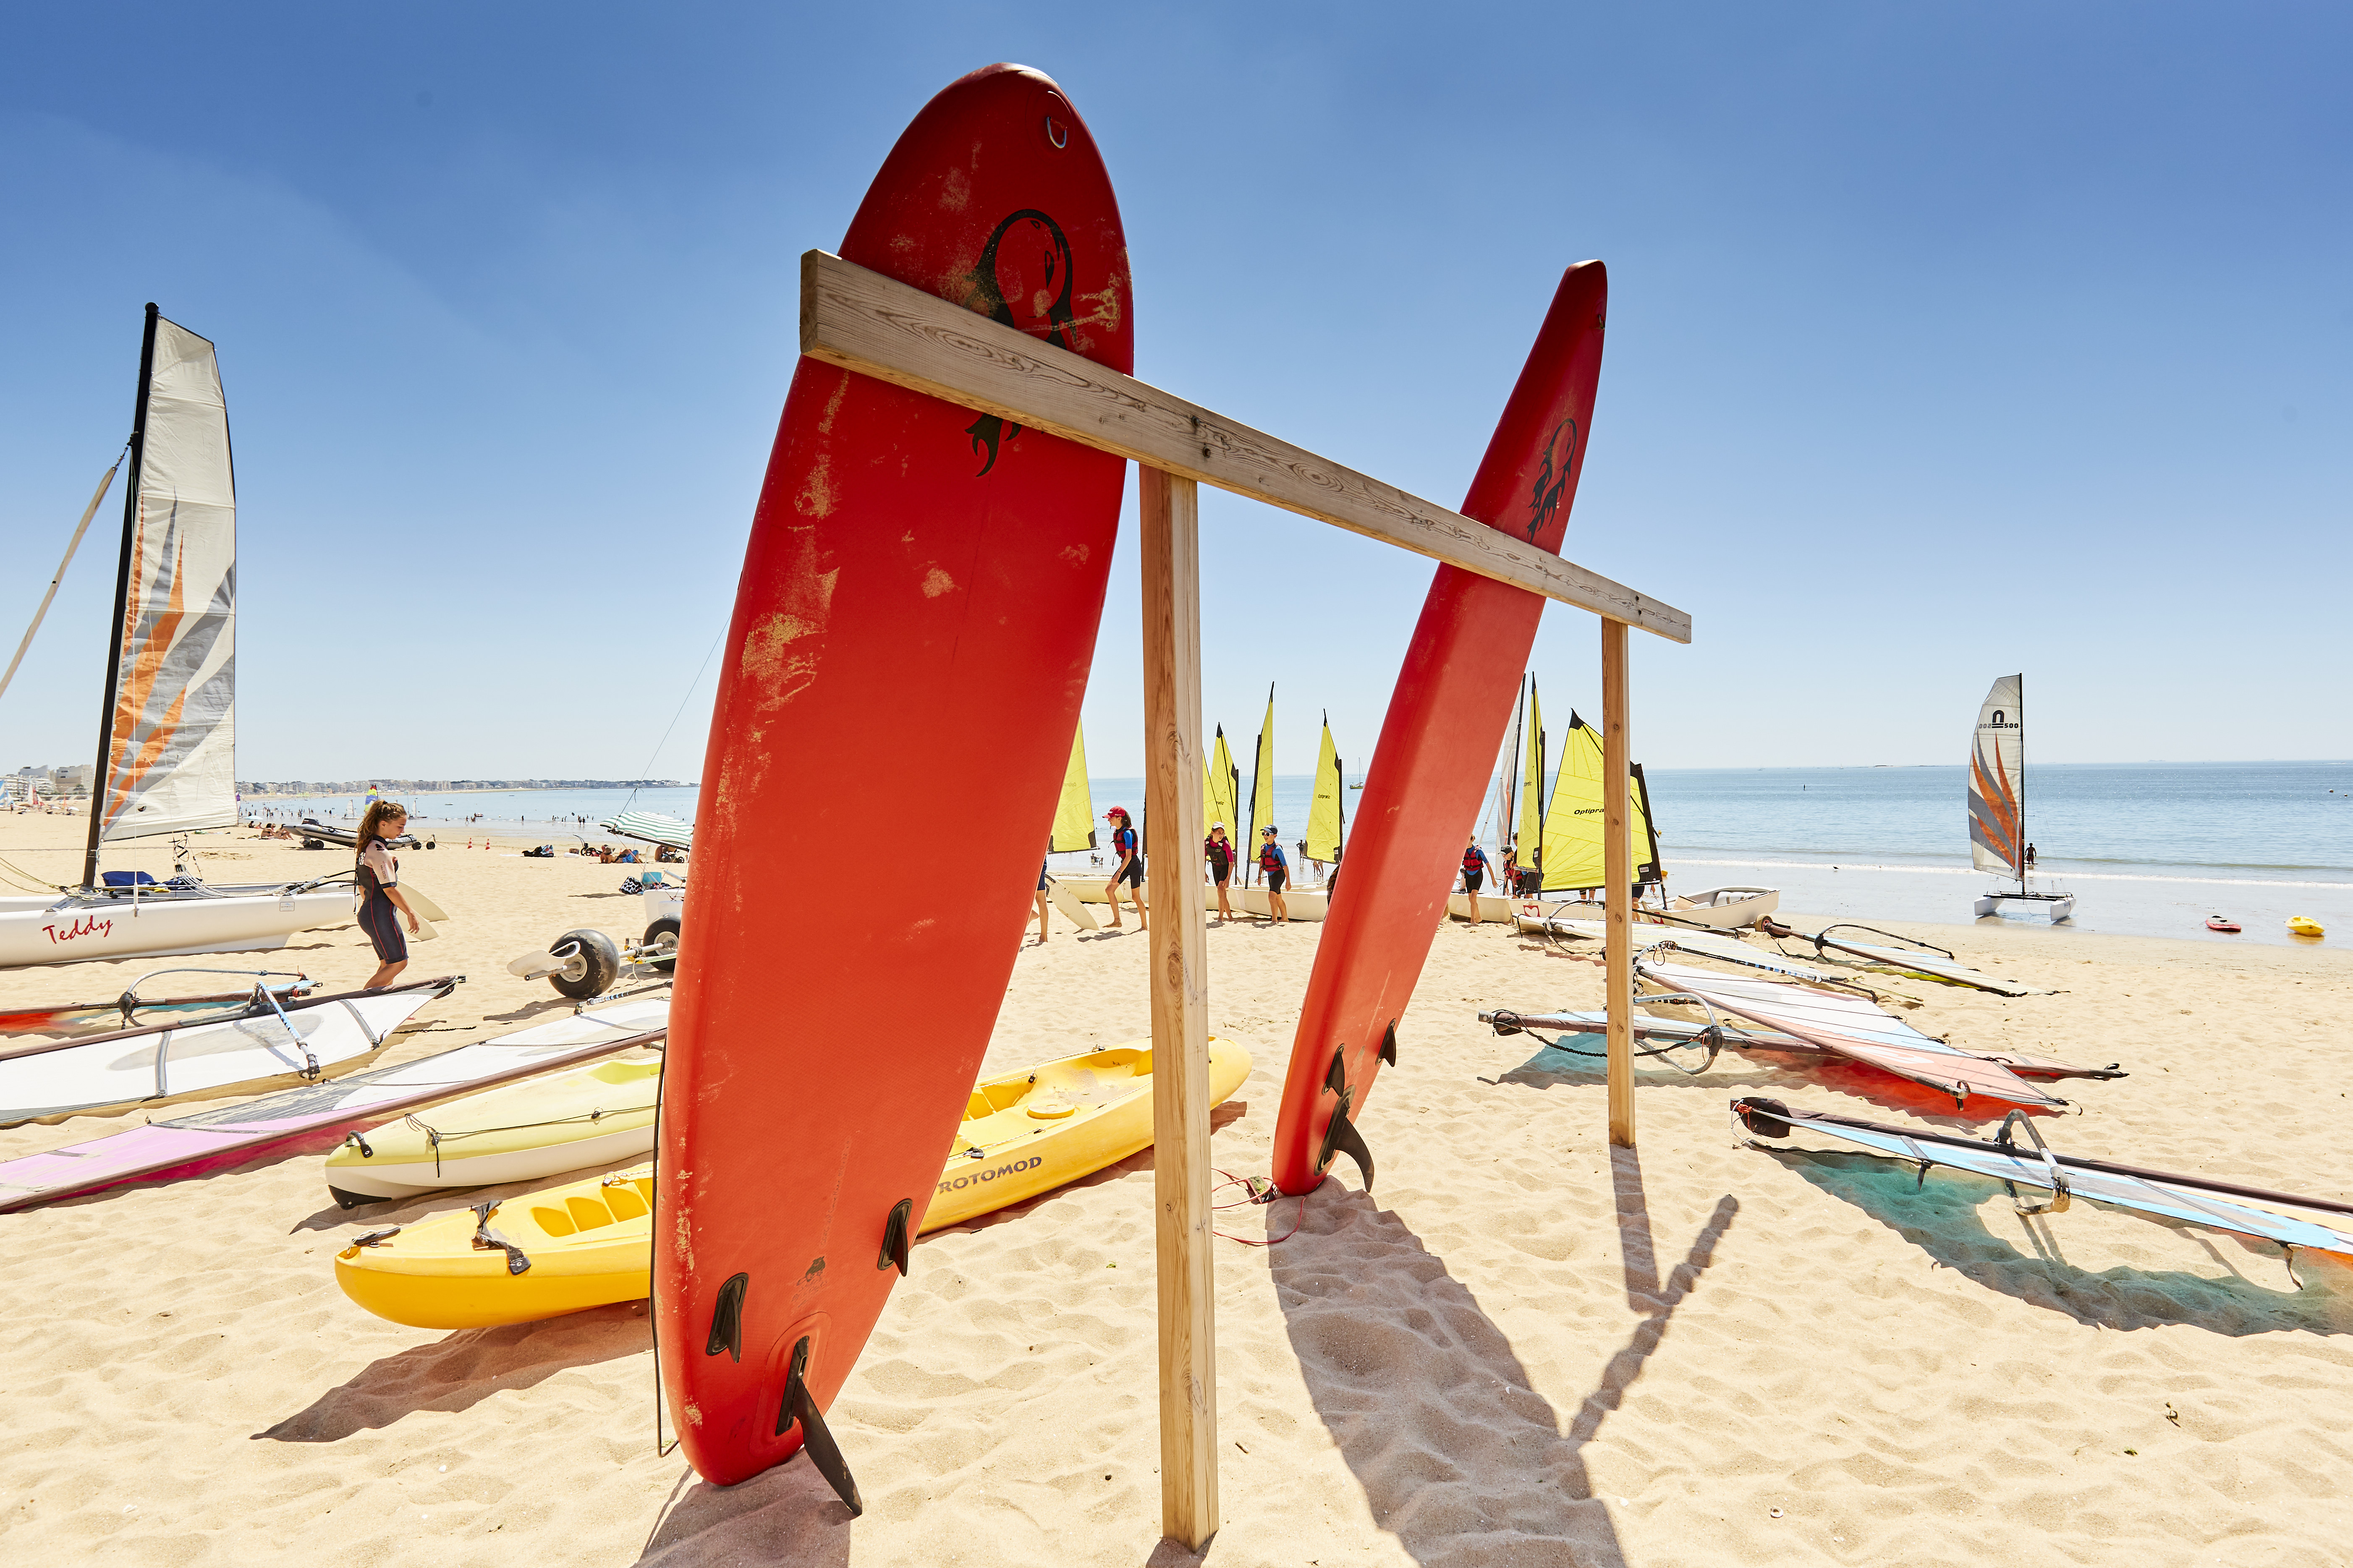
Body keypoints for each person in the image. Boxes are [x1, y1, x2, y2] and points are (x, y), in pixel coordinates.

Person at [354, 800, 421, 990]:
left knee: (387, 964)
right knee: (399, 963)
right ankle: (363, 1002)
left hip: (371, 913)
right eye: (400, 826)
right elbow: (390, 889)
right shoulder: (380, 851)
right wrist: (410, 912)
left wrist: (369, 907)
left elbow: (362, 886)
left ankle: (383, 1001)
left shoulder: (366, 846)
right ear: (384, 824)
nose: (402, 831)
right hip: (379, 915)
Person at [1102, 807, 1147, 930]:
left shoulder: (1127, 833)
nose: (1109, 820)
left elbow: (1128, 857)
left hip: (1133, 865)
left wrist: (1118, 874)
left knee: (1135, 897)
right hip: (1125, 864)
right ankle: (1117, 921)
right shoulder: (1117, 832)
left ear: (1119, 818)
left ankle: (1144, 926)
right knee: (1109, 890)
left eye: (1111, 818)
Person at [1204, 822, 1236, 921]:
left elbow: (1231, 863)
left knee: (1220, 890)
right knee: (1222, 893)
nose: (1221, 835)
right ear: (1212, 833)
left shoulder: (1225, 845)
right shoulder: (1206, 843)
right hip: (1215, 868)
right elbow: (1203, 858)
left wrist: (1228, 879)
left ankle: (1220, 917)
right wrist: (1204, 872)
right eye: (1219, 832)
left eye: (1223, 833)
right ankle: (1230, 917)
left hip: (1225, 868)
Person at [1257, 825, 1289, 922]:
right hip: (1271, 876)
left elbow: (1285, 866)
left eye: (1268, 834)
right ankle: (1285, 918)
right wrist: (1259, 876)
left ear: (1275, 836)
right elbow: (1262, 863)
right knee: (1278, 898)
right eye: (1264, 834)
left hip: (1279, 875)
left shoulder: (1278, 849)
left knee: (1272, 896)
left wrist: (1288, 881)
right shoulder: (1263, 847)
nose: (1265, 836)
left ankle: (1274, 920)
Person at [1460, 837, 1491, 908]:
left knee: (1473, 898)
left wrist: (1493, 880)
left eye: (1468, 841)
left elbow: (1488, 864)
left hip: (1478, 875)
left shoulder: (1478, 851)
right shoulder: (1463, 851)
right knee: (1471, 899)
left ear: (1472, 840)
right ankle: (1478, 917)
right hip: (1468, 875)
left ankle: (1473, 919)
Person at [1034, 848, 1054, 945]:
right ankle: (1031, 915)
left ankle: (1044, 937)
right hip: (1027, 859)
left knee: (1041, 900)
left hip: (1038, 861)